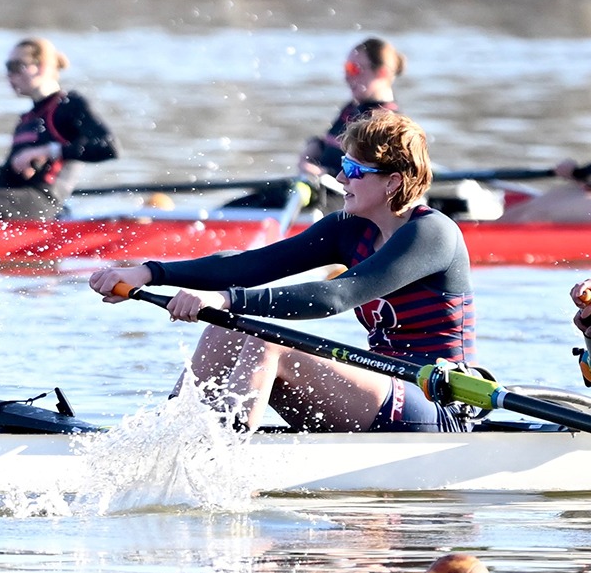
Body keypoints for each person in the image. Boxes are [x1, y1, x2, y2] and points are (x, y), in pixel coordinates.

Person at [88, 109, 473, 433]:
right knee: (224, 329)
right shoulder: (349, 227)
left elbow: (335, 296)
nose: (340, 179)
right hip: (379, 393)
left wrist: (223, 299)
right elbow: (252, 264)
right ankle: (170, 435)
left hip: (435, 404)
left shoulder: (432, 233)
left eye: (354, 169)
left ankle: (224, 468)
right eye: (342, 166)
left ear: (392, 181)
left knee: (265, 340)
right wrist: (149, 273)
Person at [0, 37, 117, 222]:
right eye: (7, 68)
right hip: (17, 198)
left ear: (41, 67)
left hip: (45, 201)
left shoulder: (69, 105)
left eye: (15, 66)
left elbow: (108, 147)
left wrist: (48, 151)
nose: (9, 75)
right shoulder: (26, 120)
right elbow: (3, 181)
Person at [224, 36, 403, 213]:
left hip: (342, 200)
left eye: (354, 69)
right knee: (240, 205)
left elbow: (372, 177)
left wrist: (322, 171)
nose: (347, 76)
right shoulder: (352, 109)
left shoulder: (386, 123)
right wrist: (313, 146)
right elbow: (328, 141)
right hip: (316, 190)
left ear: (382, 73)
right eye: (346, 68)